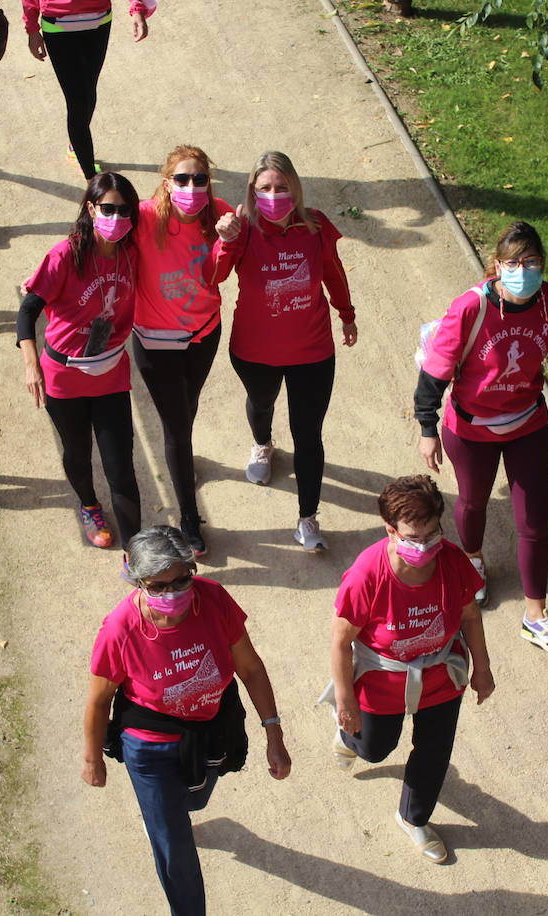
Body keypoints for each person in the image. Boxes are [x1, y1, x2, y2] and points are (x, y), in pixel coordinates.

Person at [414, 220, 548, 655]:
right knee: (473, 502)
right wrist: (428, 427)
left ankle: (535, 615)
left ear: (543, 264)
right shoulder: (470, 308)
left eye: (532, 261)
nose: (523, 269)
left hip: (528, 425)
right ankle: (473, 560)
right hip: (471, 429)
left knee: (535, 525)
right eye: (514, 262)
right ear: (496, 266)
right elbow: (436, 371)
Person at [83, 525, 292, 916]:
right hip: (151, 745)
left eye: (181, 581)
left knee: (196, 799)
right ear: (135, 577)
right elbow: (98, 702)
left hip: (211, 730)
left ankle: (169, 812)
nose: (172, 594)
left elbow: (250, 669)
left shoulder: (214, 601)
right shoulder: (119, 629)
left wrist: (274, 734)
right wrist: (92, 759)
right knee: (174, 844)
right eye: (157, 586)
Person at [322, 475, 493, 864]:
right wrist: (345, 700)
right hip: (382, 682)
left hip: (440, 676)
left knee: (434, 752)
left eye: (432, 534)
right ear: (390, 530)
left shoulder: (452, 562)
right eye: (413, 537)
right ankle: (348, 740)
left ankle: (413, 818)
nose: (425, 545)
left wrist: (482, 668)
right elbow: (339, 639)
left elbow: (470, 614)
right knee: (375, 749)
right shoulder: (368, 574)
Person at [213, 151, 357, 552]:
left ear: (295, 187)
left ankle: (308, 518)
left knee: (308, 433)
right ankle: (263, 443)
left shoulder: (315, 227)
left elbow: (333, 272)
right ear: (252, 193)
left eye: (281, 187)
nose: (274, 195)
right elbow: (214, 276)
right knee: (261, 403)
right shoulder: (242, 231)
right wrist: (225, 242)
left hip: (312, 352)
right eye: (265, 189)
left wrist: (346, 313)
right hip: (254, 350)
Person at [17, 172, 142, 548]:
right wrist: (30, 365)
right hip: (64, 378)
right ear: (91, 208)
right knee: (77, 452)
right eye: (107, 208)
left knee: (121, 465)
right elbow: (27, 312)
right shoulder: (65, 255)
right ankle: (89, 504)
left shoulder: (132, 254)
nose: (116, 218)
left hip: (110, 374)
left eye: (125, 211)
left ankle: (137, 552)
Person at [131, 145, 231, 558]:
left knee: (187, 407)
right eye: (183, 179)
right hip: (156, 341)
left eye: (200, 180)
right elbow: (90, 237)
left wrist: (228, 240)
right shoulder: (142, 217)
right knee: (176, 425)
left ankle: (185, 460)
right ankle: (188, 518)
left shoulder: (220, 214)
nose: (192, 187)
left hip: (204, 333)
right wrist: (45, 280)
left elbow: (220, 275)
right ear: (167, 182)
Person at [22, 0, 155, 181]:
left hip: (99, 22)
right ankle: (91, 179)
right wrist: (32, 28)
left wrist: (137, 10)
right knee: (77, 102)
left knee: (89, 93)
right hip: (58, 26)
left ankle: (76, 146)